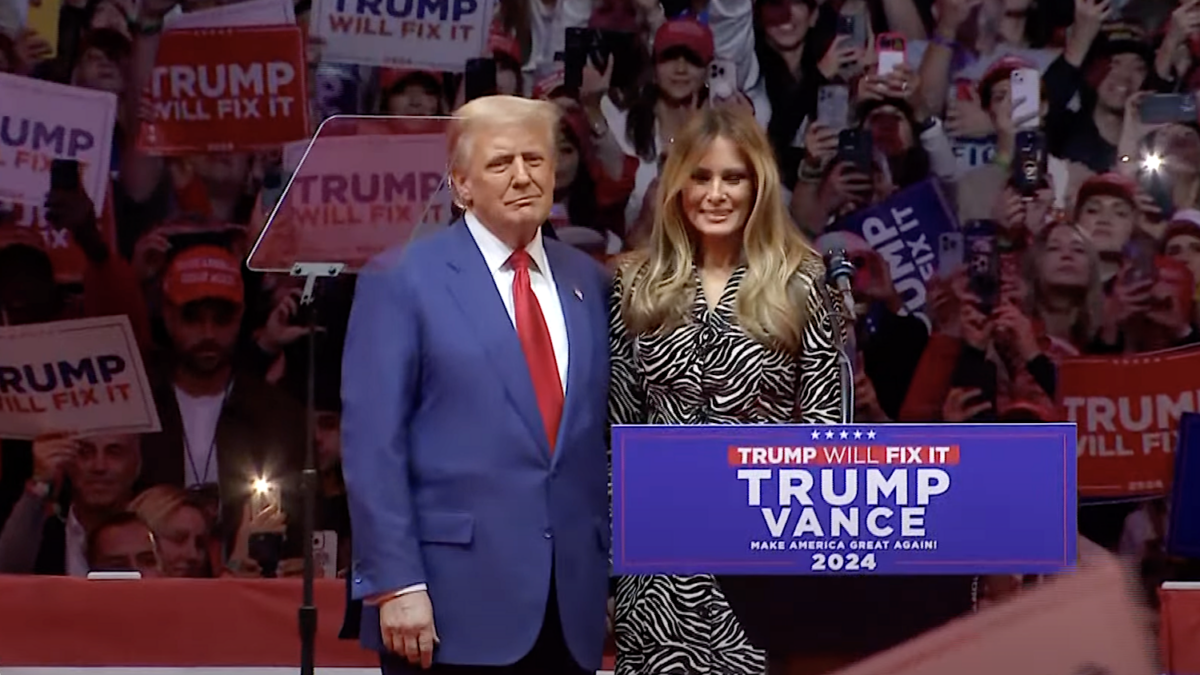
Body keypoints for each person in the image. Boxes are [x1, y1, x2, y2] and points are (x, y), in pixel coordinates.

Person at [341, 94, 612, 675]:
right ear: (461, 184)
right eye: (501, 163)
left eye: (535, 161)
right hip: (445, 604)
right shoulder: (402, 279)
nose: (523, 177)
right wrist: (396, 583)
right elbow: (372, 447)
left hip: (570, 610)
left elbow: (595, 440)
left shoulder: (589, 282)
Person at [608, 104, 838, 674]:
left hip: (760, 569)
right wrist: (609, 570)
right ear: (676, 185)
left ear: (758, 185)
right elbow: (615, 439)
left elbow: (826, 434)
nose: (715, 193)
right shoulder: (635, 287)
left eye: (732, 177)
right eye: (701, 177)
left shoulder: (801, 284)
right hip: (655, 571)